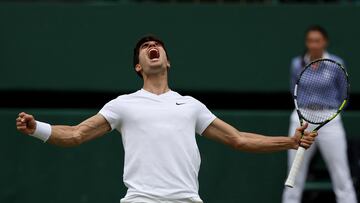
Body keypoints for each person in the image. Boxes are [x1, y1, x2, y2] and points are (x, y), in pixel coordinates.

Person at [16, 35, 317, 203]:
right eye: (145, 48)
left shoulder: (191, 106)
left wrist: (290, 142)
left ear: (167, 60)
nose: (152, 47)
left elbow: (238, 139)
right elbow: (76, 134)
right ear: (138, 66)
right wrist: (36, 128)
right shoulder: (123, 105)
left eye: (156, 45)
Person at [282, 25, 358, 203]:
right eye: (310, 40)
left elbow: (342, 93)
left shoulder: (336, 64)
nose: (313, 44)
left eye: (317, 40)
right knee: (294, 173)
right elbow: (294, 88)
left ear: (325, 42)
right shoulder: (296, 63)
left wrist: (330, 112)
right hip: (301, 120)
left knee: (341, 173)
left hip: (330, 119)